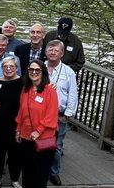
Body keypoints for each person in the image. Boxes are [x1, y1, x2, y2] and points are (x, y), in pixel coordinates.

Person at [16, 60, 58, 188]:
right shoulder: (25, 89)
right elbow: (21, 112)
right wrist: (18, 130)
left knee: (40, 175)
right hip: (26, 136)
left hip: (43, 138)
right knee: (27, 172)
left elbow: (52, 114)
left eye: (37, 70)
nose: (33, 72)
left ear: (43, 72)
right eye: (31, 70)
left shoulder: (50, 90)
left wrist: (38, 130)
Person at [0, 57, 23, 188]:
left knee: (15, 154)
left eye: (11, 66)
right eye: (5, 66)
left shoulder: (23, 83)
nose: (8, 69)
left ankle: (14, 179)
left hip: (16, 126)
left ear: (16, 68)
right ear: (1, 68)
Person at [45, 40, 78, 186]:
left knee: (56, 146)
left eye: (56, 50)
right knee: (39, 143)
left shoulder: (68, 72)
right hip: (40, 113)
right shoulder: (39, 67)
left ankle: (54, 172)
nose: (52, 53)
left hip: (59, 114)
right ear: (46, 52)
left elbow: (73, 94)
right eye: (50, 50)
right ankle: (40, 169)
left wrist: (68, 114)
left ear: (62, 53)